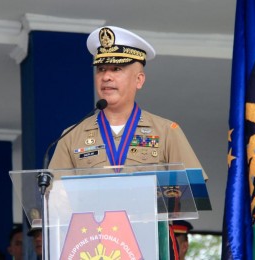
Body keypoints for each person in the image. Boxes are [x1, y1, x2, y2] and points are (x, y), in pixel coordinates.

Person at [49, 25, 206, 260]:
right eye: (101, 69)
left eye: (117, 69)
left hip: (148, 243)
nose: (106, 76)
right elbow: (52, 199)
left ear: (139, 80)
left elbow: (193, 192)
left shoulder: (166, 131)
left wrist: (141, 197)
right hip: (90, 244)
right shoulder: (72, 135)